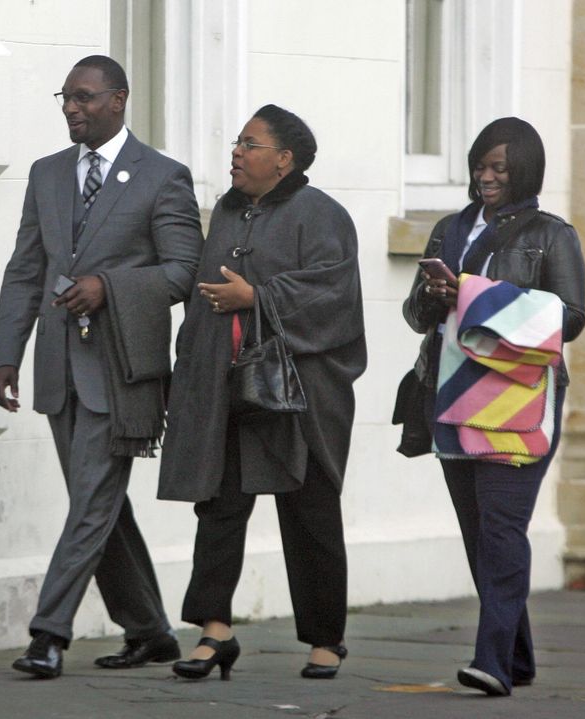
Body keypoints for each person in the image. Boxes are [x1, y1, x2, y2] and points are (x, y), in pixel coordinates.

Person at [0, 55, 203, 679]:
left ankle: (47, 633)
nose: (71, 108)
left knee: (90, 503)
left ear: (119, 99)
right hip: (59, 369)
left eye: (84, 98)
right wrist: (8, 352)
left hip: (122, 372)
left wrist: (109, 285)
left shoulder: (163, 176)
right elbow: (26, 269)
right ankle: (150, 630)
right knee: (102, 503)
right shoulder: (47, 174)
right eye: (66, 98)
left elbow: (182, 270)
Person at [157, 104, 367, 681]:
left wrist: (259, 298)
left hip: (299, 395)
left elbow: (334, 297)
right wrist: (190, 381)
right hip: (227, 388)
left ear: (284, 159)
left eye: (250, 144)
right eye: (237, 143)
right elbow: (204, 300)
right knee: (219, 506)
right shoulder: (226, 212)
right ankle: (214, 631)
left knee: (311, 512)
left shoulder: (322, 214)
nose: (236, 153)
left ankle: (326, 640)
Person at [402, 117, 585, 696]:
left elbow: (572, 317)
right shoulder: (449, 230)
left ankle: (492, 662)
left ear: (524, 171)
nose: (486, 178)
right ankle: (519, 655)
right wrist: (434, 298)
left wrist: (478, 298)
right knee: (481, 534)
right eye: (480, 166)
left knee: (504, 529)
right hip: (453, 398)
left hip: (521, 401)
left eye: (499, 169)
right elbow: (415, 317)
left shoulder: (552, 235)